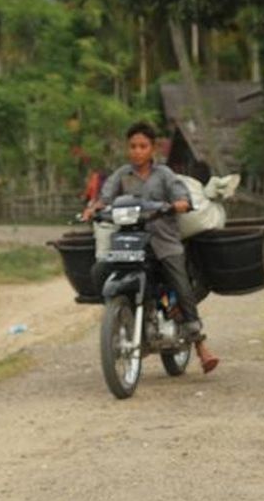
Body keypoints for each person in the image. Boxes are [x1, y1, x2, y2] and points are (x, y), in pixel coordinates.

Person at [83, 121, 220, 374]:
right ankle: (119, 317)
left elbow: (182, 197)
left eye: (142, 146)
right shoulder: (122, 175)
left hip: (163, 241)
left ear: (153, 149)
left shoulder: (165, 175)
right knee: (100, 271)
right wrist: (95, 208)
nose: (137, 151)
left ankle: (200, 345)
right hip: (130, 242)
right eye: (133, 146)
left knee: (180, 285)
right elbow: (104, 197)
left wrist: (178, 203)